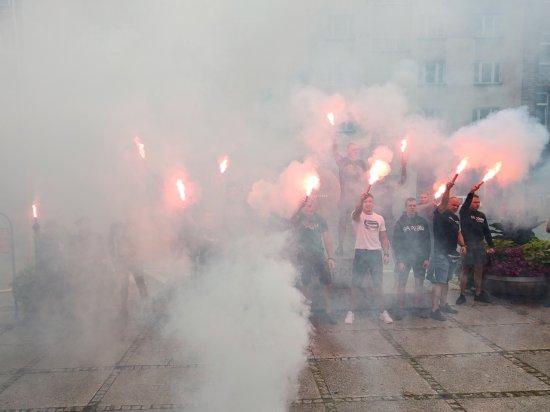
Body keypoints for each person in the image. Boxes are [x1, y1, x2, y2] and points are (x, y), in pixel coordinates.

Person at [345, 192, 393, 324]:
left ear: (374, 203)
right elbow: (354, 214)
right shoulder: (357, 215)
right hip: (361, 253)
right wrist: (360, 201)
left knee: (378, 285)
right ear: (362, 203)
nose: (368, 204)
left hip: (375, 254)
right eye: (366, 202)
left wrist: (386, 253)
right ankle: (351, 313)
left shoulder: (380, 218)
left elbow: (383, 237)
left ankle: (382, 312)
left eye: (370, 201)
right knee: (355, 285)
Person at [290, 197, 336, 324]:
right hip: (303, 256)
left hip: (319, 255)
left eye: (312, 206)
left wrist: (330, 257)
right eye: (307, 206)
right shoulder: (299, 218)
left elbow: (327, 239)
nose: (310, 209)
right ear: (303, 207)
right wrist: (299, 207)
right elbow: (290, 222)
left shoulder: (320, 219)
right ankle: (306, 313)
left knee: (327, 283)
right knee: (305, 283)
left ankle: (328, 311)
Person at [429, 182, 466, 321]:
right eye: (453, 204)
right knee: (439, 281)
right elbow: (443, 203)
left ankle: (444, 304)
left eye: (458, 205)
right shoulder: (441, 213)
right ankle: (434, 309)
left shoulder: (456, 218)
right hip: (440, 253)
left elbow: (458, 233)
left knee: (446, 281)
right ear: (448, 204)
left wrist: (463, 245)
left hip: (452, 253)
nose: (456, 207)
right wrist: (447, 189)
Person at [456, 185, 496, 305]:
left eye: (478, 202)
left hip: (479, 246)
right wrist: (471, 192)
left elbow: (487, 231)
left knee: (479, 270)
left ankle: (478, 294)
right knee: (465, 270)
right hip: (468, 245)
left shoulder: (482, 216)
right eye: (474, 202)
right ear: (470, 202)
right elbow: (466, 203)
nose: (477, 204)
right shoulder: (464, 212)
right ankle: (462, 295)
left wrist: (491, 245)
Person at [392, 198, 431, 319]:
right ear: (406, 207)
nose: (412, 207)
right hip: (404, 258)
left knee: (419, 283)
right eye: (410, 205)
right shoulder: (400, 223)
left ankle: (417, 308)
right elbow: (395, 243)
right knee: (401, 283)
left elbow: (427, 241)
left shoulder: (422, 222)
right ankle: (400, 308)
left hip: (419, 257)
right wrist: (399, 260)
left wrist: (426, 258)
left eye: (414, 205)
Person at [332, 140, 367, 256]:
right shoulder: (343, 161)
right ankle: (340, 246)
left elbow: (367, 178)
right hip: (345, 196)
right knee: (342, 221)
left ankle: (362, 245)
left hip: (358, 197)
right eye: (353, 149)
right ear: (347, 150)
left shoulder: (362, 163)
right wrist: (334, 141)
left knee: (360, 220)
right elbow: (335, 153)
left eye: (357, 149)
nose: (355, 151)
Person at [108, 222, 148, 317]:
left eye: (120, 229)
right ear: (114, 231)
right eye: (116, 229)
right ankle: (123, 308)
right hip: (122, 265)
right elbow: (112, 255)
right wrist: (116, 266)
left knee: (140, 282)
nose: (119, 231)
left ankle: (146, 303)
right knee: (124, 286)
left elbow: (136, 250)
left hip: (133, 263)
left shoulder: (129, 238)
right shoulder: (112, 241)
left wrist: (134, 260)